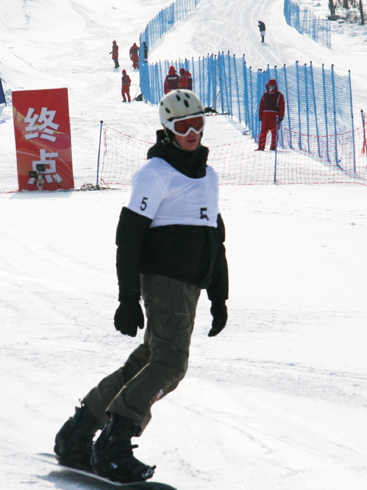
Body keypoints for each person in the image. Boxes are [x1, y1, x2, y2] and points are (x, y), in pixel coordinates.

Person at [53, 89, 229, 484]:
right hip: (163, 280)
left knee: (147, 360)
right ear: (167, 128)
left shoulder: (207, 175)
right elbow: (129, 238)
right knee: (170, 363)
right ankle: (113, 445)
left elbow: (214, 239)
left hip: (190, 286)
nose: (192, 132)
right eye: (183, 125)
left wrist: (219, 296)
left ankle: (79, 433)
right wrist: (128, 297)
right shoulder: (155, 174)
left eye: (198, 123)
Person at [257, 78, 285, 151]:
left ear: (275, 87)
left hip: (274, 116)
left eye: (272, 86)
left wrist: (281, 116)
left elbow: (282, 106)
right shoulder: (265, 95)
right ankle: (261, 147)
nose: (270, 88)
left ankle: (272, 147)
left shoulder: (279, 95)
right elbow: (261, 106)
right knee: (263, 132)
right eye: (269, 86)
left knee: (274, 132)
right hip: (265, 116)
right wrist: (260, 116)